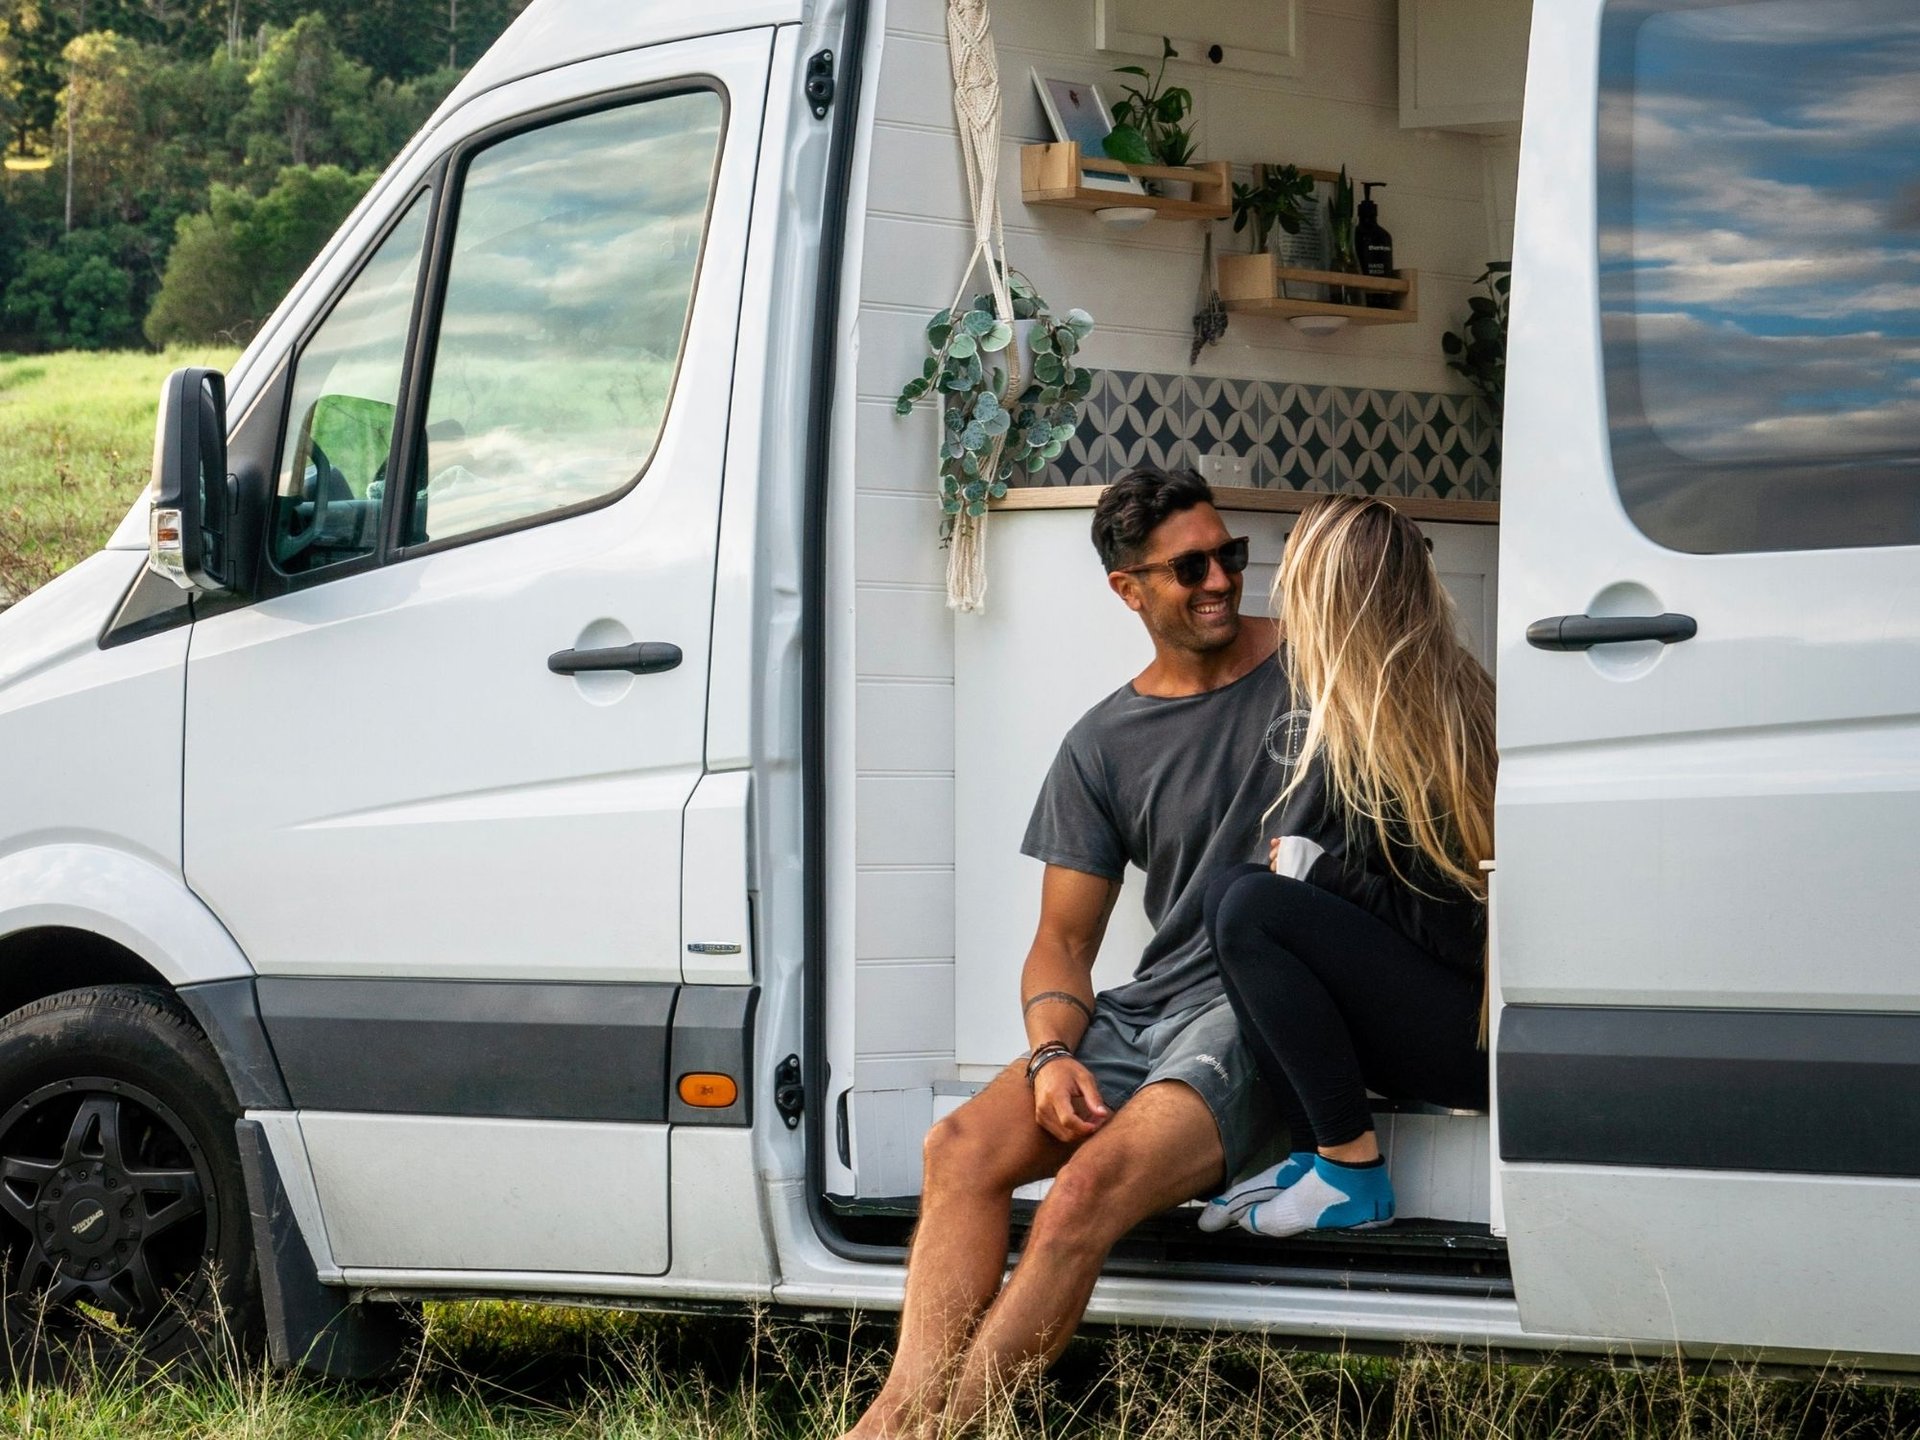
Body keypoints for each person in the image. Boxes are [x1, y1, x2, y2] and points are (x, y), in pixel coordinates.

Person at [837, 467, 1295, 1440]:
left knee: (1081, 1191)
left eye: (1232, 556)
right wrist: (1052, 1058)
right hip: (1154, 1006)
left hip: (1272, 1006)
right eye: (1189, 567)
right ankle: (892, 1421)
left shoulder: (1322, 673)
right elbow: (1063, 941)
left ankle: (939, 1435)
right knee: (958, 1149)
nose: (1221, 580)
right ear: (1128, 589)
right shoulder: (1104, 742)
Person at [1198, 494, 1495, 1240]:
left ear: (1332, 600)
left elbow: (1461, 935)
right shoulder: (1396, 705)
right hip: (1455, 1024)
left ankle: (1351, 1173)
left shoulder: (1422, 732)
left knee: (1252, 910)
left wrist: (1324, 878)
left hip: (1478, 1042)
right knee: (1232, 890)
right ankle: (1313, 1158)